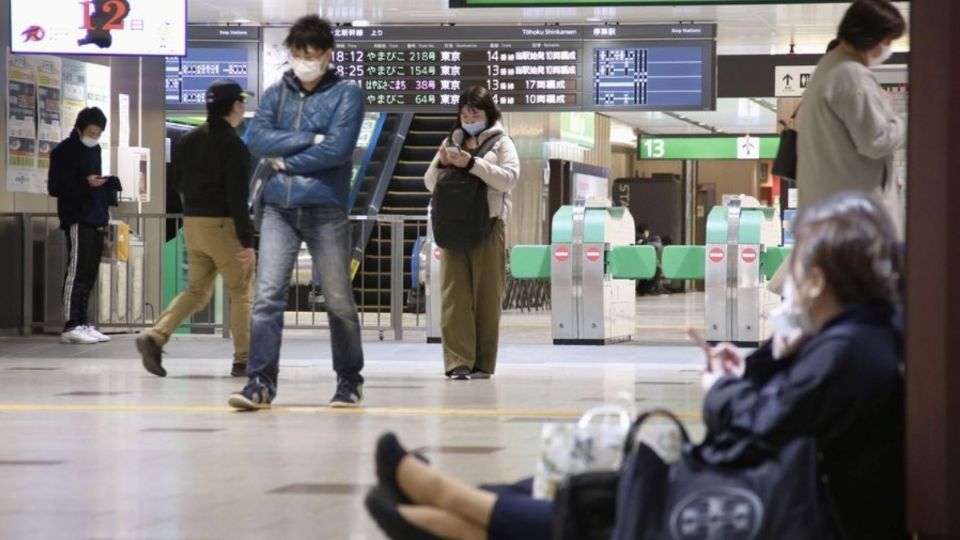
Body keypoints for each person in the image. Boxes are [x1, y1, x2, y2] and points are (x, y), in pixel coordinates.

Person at [365, 192, 905, 540]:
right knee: (591, 485)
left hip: (784, 509)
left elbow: (753, 429)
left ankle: (448, 508)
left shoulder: (850, 351)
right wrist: (761, 365)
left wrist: (720, 387)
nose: (785, 278)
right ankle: (452, 510)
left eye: (798, 261)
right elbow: (777, 417)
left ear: (819, 279)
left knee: (609, 503)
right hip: (776, 489)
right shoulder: (847, 339)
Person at [228, 15, 366, 410]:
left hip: (326, 207)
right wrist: (309, 138)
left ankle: (349, 381)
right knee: (267, 297)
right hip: (278, 208)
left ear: (327, 54)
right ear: (290, 53)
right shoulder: (276, 93)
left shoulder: (347, 94)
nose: (305, 61)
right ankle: (260, 383)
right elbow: (257, 139)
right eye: (299, 54)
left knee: (338, 299)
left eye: (313, 54)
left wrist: (285, 160)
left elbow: (337, 150)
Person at [136, 80, 255, 378]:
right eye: (241, 103)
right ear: (235, 106)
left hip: (193, 224)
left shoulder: (188, 140)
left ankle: (156, 335)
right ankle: (244, 359)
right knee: (241, 291)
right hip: (222, 224)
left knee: (196, 290)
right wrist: (246, 239)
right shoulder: (234, 145)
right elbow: (237, 197)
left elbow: (177, 183)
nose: (243, 107)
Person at [423, 86, 520, 380]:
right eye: (464, 113)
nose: (469, 117)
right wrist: (441, 162)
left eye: (475, 112)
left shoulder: (502, 143)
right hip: (453, 227)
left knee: (487, 297)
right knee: (454, 296)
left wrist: (472, 164)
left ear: (488, 112)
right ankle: (457, 362)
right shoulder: (451, 141)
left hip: (489, 227)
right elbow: (429, 183)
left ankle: (482, 363)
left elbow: (509, 179)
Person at [797, 0, 907, 233]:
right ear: (869, 37)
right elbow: (876, 141)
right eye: (886, 41)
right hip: (855, 222)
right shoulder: (851, 77)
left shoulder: (828, 68)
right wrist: (909, 122)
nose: (886, 49)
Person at [47, 107, 121, 345]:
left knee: (89, 273)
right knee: (76, 271)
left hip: (97, 215)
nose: (94, 137)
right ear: (79, 128)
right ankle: (71, 324)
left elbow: (93, 180)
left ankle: (84, 322)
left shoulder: (96, 150)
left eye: (98, 133)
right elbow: (56, 187)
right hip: (77, 217)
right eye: (91, 132)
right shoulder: (63, 151)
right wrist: (85, 182)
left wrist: (102, 184)